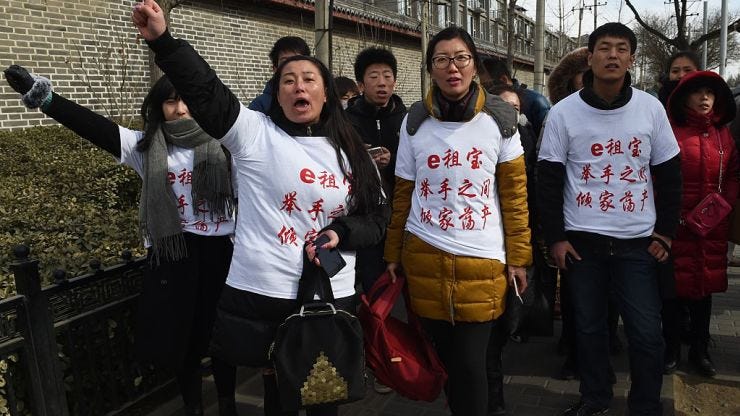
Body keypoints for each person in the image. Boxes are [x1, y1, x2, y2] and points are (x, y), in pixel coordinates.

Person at [132, 2, 389, 416]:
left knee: (326, 398)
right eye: (288, 80)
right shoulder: (254, 134)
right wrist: (165, 42)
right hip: (267, 297)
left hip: (331, 296)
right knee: (280, 400)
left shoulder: (351, 151)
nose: (298, 86)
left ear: (326, 93)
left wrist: (342, 231)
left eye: (309, 79)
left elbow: (377, 218)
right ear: (278, 92)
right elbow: (205, 90)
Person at [3, 67, 238, 415]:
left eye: (187, 99)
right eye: (171, 101)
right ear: (159, 107)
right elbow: (92, 126)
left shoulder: (228, 145)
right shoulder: (146, 147)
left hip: (220, 252)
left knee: (221, 335)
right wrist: (45, 99)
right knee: (182, 339)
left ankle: (228, 402)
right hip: (172, 255)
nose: (181, 108)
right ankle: (193, 406)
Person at [384, 26, 531, 416]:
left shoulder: (500, 121)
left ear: (474, 65)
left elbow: (515, 199)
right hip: (424, 254)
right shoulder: (414, 122)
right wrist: (393, 252)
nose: (453, 67)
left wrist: (519, 259)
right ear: (431, 68)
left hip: (481, 258)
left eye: (461, 58)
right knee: (447, 363)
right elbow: (403, 194)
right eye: (442, 59)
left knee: (472, 363)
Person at [537, 22, 682, 416]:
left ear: (632, 58)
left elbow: (670, 175)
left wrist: (665, 233)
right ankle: (596, 397)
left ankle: (645, 405)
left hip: (637, 245)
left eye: (621, 48)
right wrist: (555, 239)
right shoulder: (563, 114)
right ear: (590, 57)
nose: (612, 55)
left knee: (648, 334)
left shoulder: (650, 108)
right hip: (583, 244)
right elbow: (547, 182)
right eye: (604, 48)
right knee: (587, 330)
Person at [545, 46, 623, 382]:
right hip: (574, 221)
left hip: (616, 222)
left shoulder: (625, 119)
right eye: (578, 86)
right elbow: (547, 177)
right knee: (577, 296)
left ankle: (605, 344)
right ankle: (575, 352)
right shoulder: (559, 119)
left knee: (610, 293)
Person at [663, 70, 738, 377]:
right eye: (698, 92)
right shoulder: (669, 131)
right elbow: (657, 175)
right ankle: (669, 349)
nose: (705, 98)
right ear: (684, 98)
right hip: (675, 226)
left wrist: (720, 208)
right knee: (670, 291)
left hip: (709, 228)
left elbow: (733, 176)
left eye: (710, 93)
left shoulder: (723, 134)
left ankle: (700, 350)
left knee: (702, 292)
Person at [485, 83, 537, 416]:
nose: (510, 112)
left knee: (498, 330)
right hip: (484, 246)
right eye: (503, 106)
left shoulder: (523, 141)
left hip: (509, 244)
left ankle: (494, 398)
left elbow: (520, 199)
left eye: (515, 107)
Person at [345, 46, 407, 293]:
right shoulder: (345, 121)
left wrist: (393, 160)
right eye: (373, 77)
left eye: (387, 76)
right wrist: (362, 159)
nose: (382, 83)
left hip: (402, 211)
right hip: (365, 213)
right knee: (372, 284)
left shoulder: (408, 119)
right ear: (361, 84)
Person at [479, 56, 551, 137]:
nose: (485, 90)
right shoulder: (486, 102)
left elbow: (546, 140)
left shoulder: (536, 101)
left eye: (486, 85)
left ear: (503, 80)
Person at [248, 35, 311, 114]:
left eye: (297, 59)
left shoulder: (317, 99)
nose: (292, 66)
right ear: (275, 69)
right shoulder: (260, 106)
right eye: (285, 61)